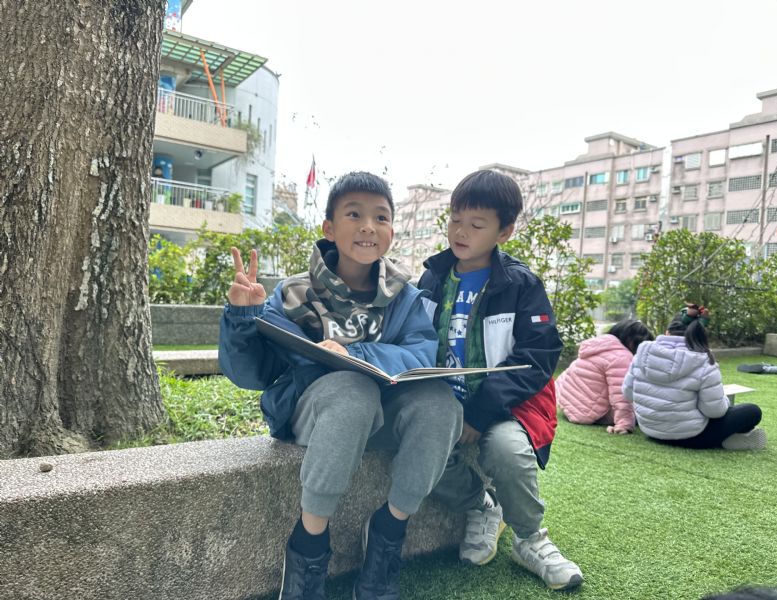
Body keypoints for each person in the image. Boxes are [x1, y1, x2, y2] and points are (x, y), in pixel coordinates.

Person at [218, 172, 463, 600]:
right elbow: (252, 375)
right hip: (314, 414)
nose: (368, 226)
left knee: (441, 403)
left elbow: (421, 355)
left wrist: (357, 352)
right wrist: (242, 318)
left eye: (381, 217)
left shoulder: (404, 298)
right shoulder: (294, 294)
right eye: (354, 214)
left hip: (383, 415)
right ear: (329, 227)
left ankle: (389, 530)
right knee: (354, 391)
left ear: (391, 231)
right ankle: (309, 543)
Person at [418, 170, 584, 591]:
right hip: (442, 402)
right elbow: (415, 339)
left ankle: (530, 539)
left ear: (504, 232)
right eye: (456, 220)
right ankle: (481, 505)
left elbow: (537, 355)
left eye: (476, 225)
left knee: (509, 451)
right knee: (420, 447)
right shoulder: (433, 277)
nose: (461, 232)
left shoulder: (520, 284)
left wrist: (481, 412)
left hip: (504, 405)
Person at [623, 304, 766, 450]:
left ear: (667, 332)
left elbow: (628, 393)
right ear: (699, 334)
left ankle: (728, 439)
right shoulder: (704, 361)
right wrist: (725, 401)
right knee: (752, 411)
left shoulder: (641, 353)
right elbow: (714, 411)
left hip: (650, 430)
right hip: (693, 437)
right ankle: (727, 438)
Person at [556, 319, 654, 434]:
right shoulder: (622, 357)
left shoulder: (599, 346)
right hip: (587, 413)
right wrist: (624, 424)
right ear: (634, 343)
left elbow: (569, 375)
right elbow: (621, 394)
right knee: (645, 408)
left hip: (567, 404)